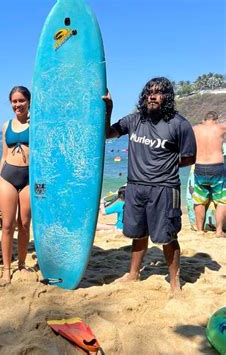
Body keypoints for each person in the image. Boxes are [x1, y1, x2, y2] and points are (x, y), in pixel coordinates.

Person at [103, 77, 196, 293]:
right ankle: (133, 274)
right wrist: (109, 109)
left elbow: (189, 158)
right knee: (138, 233)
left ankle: (174, 282)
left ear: (167, 97)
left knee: (167, 237)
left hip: (164, 188)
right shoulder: (134, 120)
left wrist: (164, 168)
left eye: (158, 92)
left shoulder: (179, 124)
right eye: (149, 92)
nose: (152, 96)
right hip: (135, 187)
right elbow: (108, 134)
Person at [0, 86, 31, 284]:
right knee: (7, 225)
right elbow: (3, 155)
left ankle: (22, 264)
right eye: (14, 101)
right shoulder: (6, 125)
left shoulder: (36, 124)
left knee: (24, 223)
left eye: (21, 101)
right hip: (8, 175)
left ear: (28, 102)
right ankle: (7, 268)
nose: (17, 105)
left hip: (29, 177)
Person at [192, 111, 226, 237]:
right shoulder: (220, 127)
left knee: (200, 199)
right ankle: (219, 231)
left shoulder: (195, 129)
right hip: (217, 168)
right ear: (216, 119)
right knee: (221, 200)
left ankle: (200, 230)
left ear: (204, 120)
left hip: (200, 167)